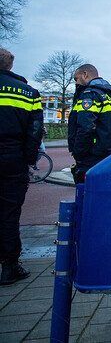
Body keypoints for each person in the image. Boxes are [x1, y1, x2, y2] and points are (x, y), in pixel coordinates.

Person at [0, 48, 43, 285]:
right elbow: (35, 131)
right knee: (9, 212)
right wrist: (27, 159)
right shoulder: (28, 93)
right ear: (10, 66)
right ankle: (9, 266)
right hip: (11, 159)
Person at [68, 64, 111, 184]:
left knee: (87, 192)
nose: (76, 83)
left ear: (85, 74)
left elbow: (85, 127)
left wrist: (79, 153)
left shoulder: (90, 94)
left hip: (93, 155)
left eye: (76, 79)